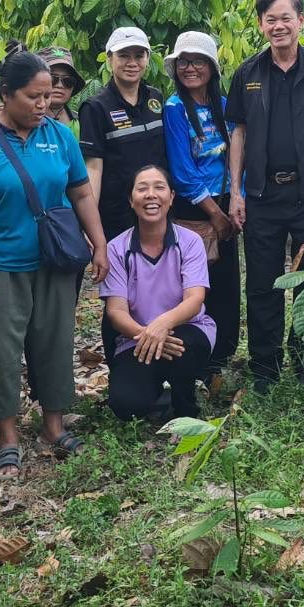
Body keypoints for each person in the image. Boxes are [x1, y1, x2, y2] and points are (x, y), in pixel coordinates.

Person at [0, 49, 108, 474]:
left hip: (54, 261)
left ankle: (53, 426)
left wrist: (100, 244)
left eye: (47, 96)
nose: (43, 104)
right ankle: (8, 436)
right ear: (6, 94)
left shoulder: (59, 135)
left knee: (55, 341)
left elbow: (80, 192)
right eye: (33, 97)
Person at [226, 0, 304, 392]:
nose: (278, 26)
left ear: (301, 21)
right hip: (262, 196)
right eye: (270, 19)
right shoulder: (248, 73)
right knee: (262, 283)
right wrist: (236, 192)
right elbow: (238, 132)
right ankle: (264, 367)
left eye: (285, 18)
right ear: (260, 25)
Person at [78, 26, 168, 359]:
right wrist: (93, 228)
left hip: (157, 214)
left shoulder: (156, 98)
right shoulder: (96, 107)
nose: (132, 63)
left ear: (147, 59)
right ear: (109, 59)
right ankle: (121, 365)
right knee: (120, 293)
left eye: (138, 55)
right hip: (117, 216)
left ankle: (157, 358)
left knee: (158, 288)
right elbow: (94, 168)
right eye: (124, 56)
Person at [101, 166, 218, 422]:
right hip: (136, 337)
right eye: (142, 189)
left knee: (184, 347)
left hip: (186, 329)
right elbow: (115, 311)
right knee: (126, 405)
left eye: (159, 187)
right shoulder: (116, 248)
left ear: (172, 197)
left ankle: (186, 408)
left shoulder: (190, 241)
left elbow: (195, 298)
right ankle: (160, 395)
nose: (151, 195)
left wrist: (162, 326)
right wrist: (149, 335)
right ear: (131, 200)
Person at [162, 31, 242, 387]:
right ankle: (197, 357)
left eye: (197, 61)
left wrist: (237, 200)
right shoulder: (175, 109)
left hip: (228, 203)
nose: (189, 68)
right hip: (197, 208)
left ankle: (222, 355)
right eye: (183, 62)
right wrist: (215, 213)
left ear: (211, 67)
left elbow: (239, 156)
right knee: (196, 284)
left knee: (227, 282)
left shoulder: (224, 106)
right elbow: (182, 170)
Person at [36, 46, 84, 131]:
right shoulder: (22, 121)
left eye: (68, 81)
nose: (59, 85)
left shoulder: (82, 122)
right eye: (52, 79)